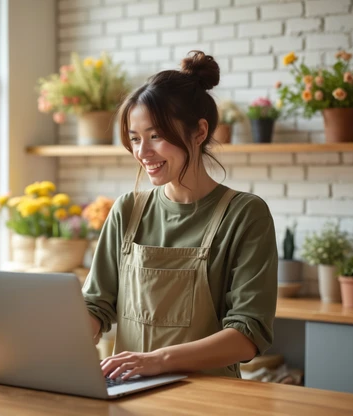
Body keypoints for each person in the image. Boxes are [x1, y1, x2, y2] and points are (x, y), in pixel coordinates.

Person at [82, 50, 278, 382]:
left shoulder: (245, 214)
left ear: (199, 132)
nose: (143, 152)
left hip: (210, 398)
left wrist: (158, 360)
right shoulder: (127, 210)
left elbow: (248, 334)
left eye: (156, 136)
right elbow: (97, 305)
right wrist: (56, 341)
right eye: (135, 139)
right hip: (129, 392)